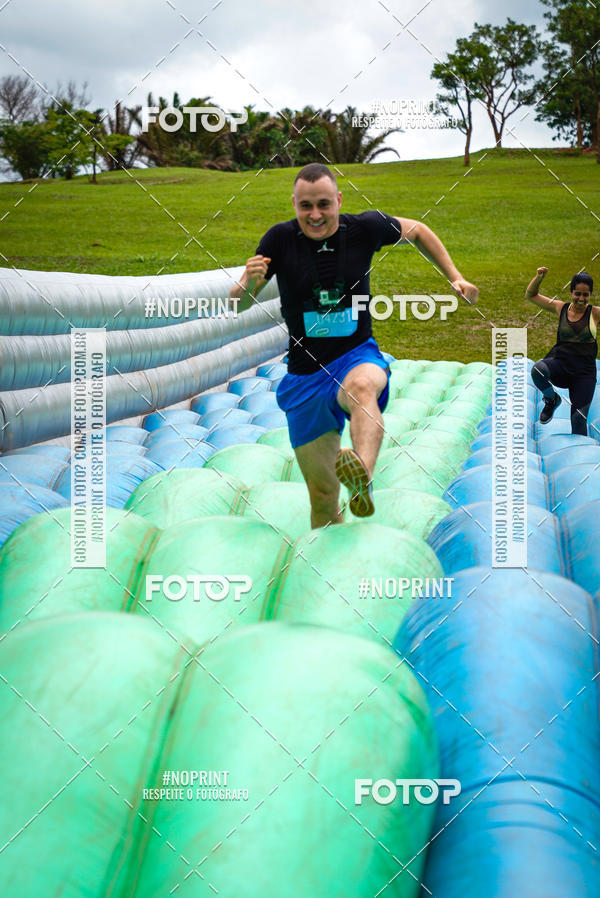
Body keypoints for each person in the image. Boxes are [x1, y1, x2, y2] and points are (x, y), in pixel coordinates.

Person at [229, 162, 479, 528]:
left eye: (324, 204)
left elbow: (419, 231)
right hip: (304, 375)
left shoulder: (364, 228)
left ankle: (361, 473)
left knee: (363, 387)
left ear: (339, 200)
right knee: (323, 497)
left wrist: (455, 277)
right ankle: (327, 568)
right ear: (295, 203)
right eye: (306, 206)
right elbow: (237, 304)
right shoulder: (278, 239)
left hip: (355, 355)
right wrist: (248, 283)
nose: (315, 215)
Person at [526, 267, 599, 436]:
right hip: (561, 367)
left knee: (579, 420)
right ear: (571, 292)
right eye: (577, 294)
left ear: (590, 295)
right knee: (537, 370)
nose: (581, 298)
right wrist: (539, 277)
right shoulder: (561, 308)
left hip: (584, 375)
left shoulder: (595, 313)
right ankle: (551, 400)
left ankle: (581, 459)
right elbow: (531, 295)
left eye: (585, 295)